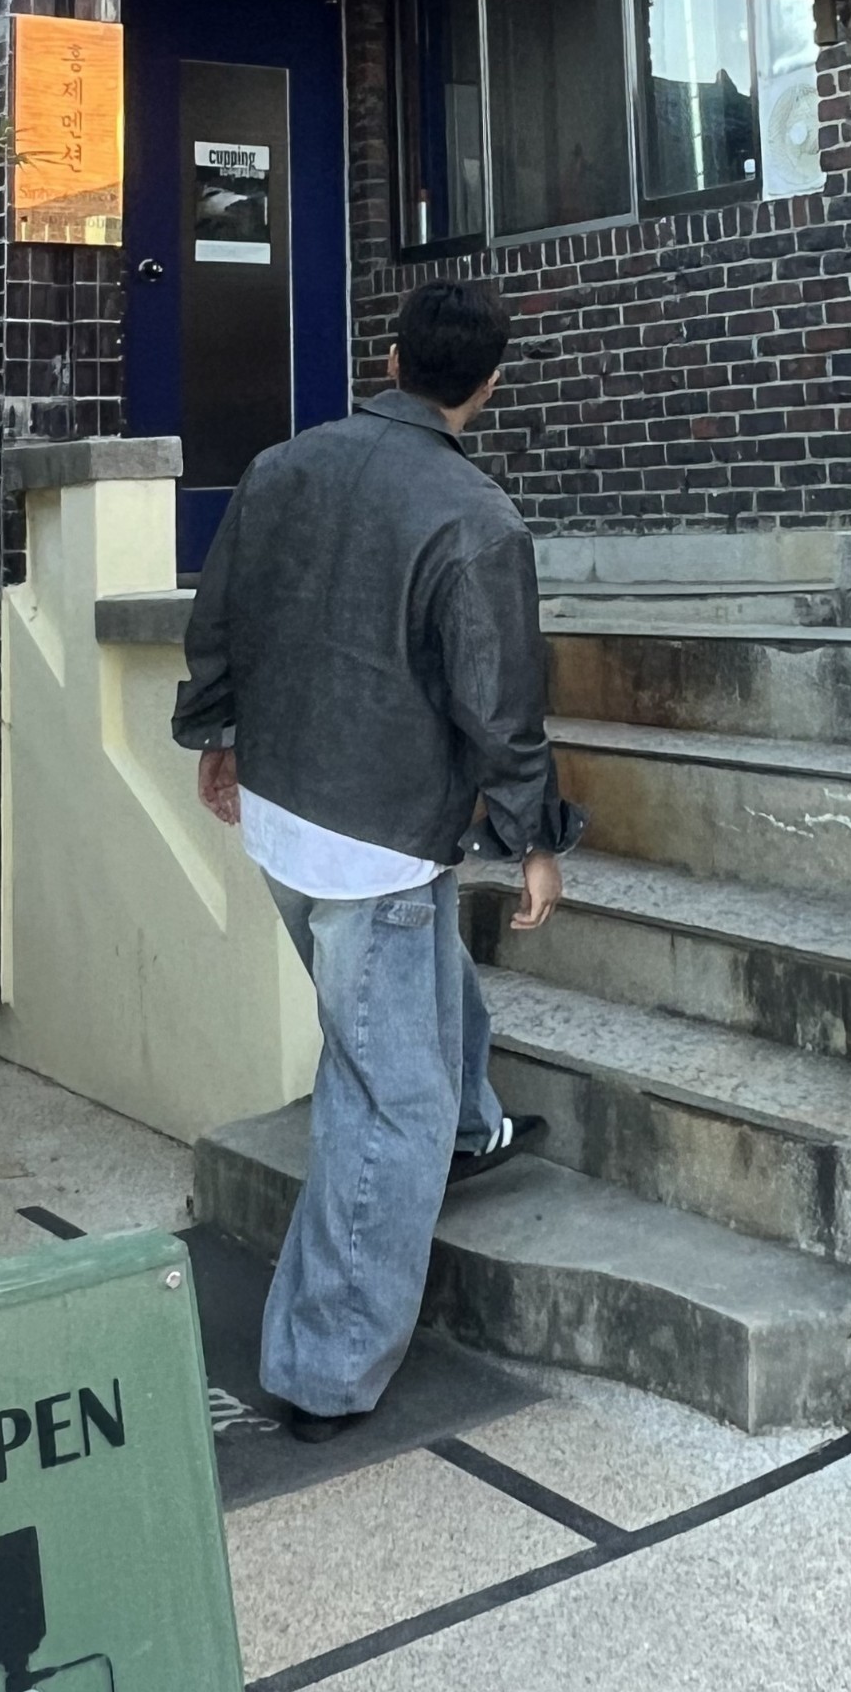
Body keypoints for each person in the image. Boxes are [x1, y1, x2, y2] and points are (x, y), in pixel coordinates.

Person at [173, 279, 582, 1443]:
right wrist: (534, 835)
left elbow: (221, 613)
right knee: (387, 1097)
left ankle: (469, 1123)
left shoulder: (282, 466)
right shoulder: (476, 516)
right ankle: (323, 1366)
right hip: (379, 836)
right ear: (487, 386)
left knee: (395, 1000)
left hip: (283, 806)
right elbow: (499, 701)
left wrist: (217, 731)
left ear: (392, 360)